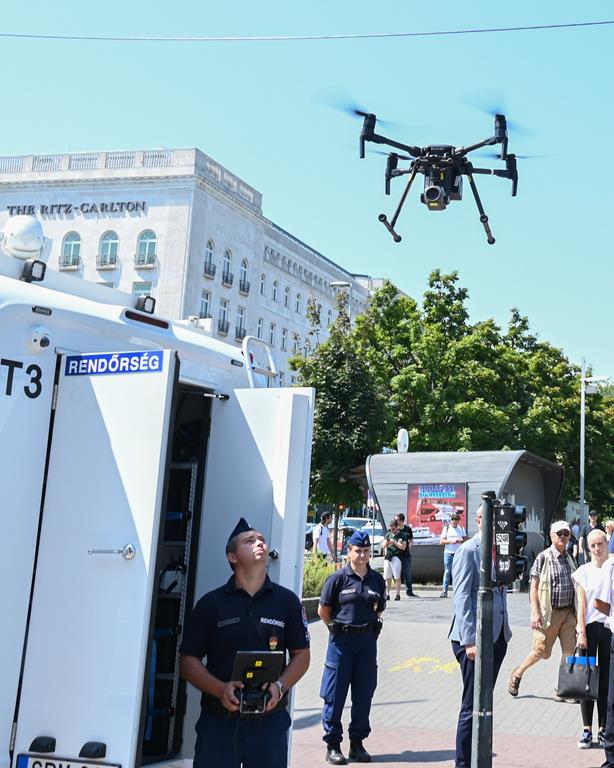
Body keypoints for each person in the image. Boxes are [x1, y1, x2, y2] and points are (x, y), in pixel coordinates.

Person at [179, 517, 311, 768]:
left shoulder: (287, 602)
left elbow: (302, 655)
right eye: (249, 541)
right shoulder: (210, 604)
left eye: (261, 539)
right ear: (232, 557)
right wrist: (220, 689)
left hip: (269, 724)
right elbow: (187, 661)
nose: (259, 542)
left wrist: (279, 687)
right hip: (219, 722)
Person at [449, 507, 511, 768]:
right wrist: (470, 640)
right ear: (478, 521)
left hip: (497, 637)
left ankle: (480, 758)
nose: (496, 526)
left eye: (499, 521)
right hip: (473, 641)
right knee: (471, 704)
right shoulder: (468, 551)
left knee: (484, 703)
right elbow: (461, 597)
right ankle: (464, 763)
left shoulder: (500, 550)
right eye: (489, 520)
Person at [318, 529, 386, 765]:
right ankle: (333, 744)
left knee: (364, 693)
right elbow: (323, 611)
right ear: (349, 551)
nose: (362, 556)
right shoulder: (337, 579)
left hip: (367, 642)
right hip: (341, 642)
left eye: (366, 551)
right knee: (335, 694)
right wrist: (334, 628)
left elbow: (379, 608)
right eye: (358, 551)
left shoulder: (376, 580)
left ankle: (357, 744)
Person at [507, 520, 577, 700]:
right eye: (559, 533)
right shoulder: (543, 557)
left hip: (569, 613)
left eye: (566, 533)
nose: (562, 537)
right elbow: (534, 587)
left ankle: (561, 689)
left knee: (569, 652)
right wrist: (535, 612)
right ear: (551, 536)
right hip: (548, 613)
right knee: (541, 652)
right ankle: (517, 673)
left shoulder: (570, 557)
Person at [572, 529, 611, 748]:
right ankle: (587, 729)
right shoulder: (583, 571)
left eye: (600, 544)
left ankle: (604, 728)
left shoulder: (612, 569)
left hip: (608, 629)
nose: (597, 549)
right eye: (593, 545)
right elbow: (581, 604)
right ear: (588, 548)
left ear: (607, 544)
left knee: (606, 679)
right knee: (586, 681)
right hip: (587, 629)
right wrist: (581, 631)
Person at [439, 513, 467, 598]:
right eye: (453, 520)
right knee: (447, 571)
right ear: (451, 521)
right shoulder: (446, 528)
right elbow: (441, 541)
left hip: (458, 553)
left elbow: (465, 539)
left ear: (458, 521)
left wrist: (461, 540)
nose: (454, 522)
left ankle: (458, 591)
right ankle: (444, 591)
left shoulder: (461, 528)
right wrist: (451, 541)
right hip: (448, 553)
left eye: (456, 521)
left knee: (458, 572)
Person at [394, 513, 417, 597]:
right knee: (396, 574)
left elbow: (411, 539)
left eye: (397, 520)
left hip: (406, 555)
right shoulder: (395, 529)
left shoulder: (407, 529)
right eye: (395, 519)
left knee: (407, 573)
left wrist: (408, 546)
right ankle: (396, 593)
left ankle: (409, 591)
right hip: (396, 555)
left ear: (402, 521)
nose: (395, 521)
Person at [382, 519, 406, 601]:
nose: (392, 530)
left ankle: (398, 594)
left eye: (394, 529)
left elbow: (403, 547)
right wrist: (387, 542)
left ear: (397, 527)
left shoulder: (402, 535)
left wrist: (394, 542)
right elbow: (383, 545)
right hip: (388, 557)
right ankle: (387, 593)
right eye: (391, 529)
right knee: (387, 576)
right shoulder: (388, 534)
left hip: (396, 556)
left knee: (397, 577)